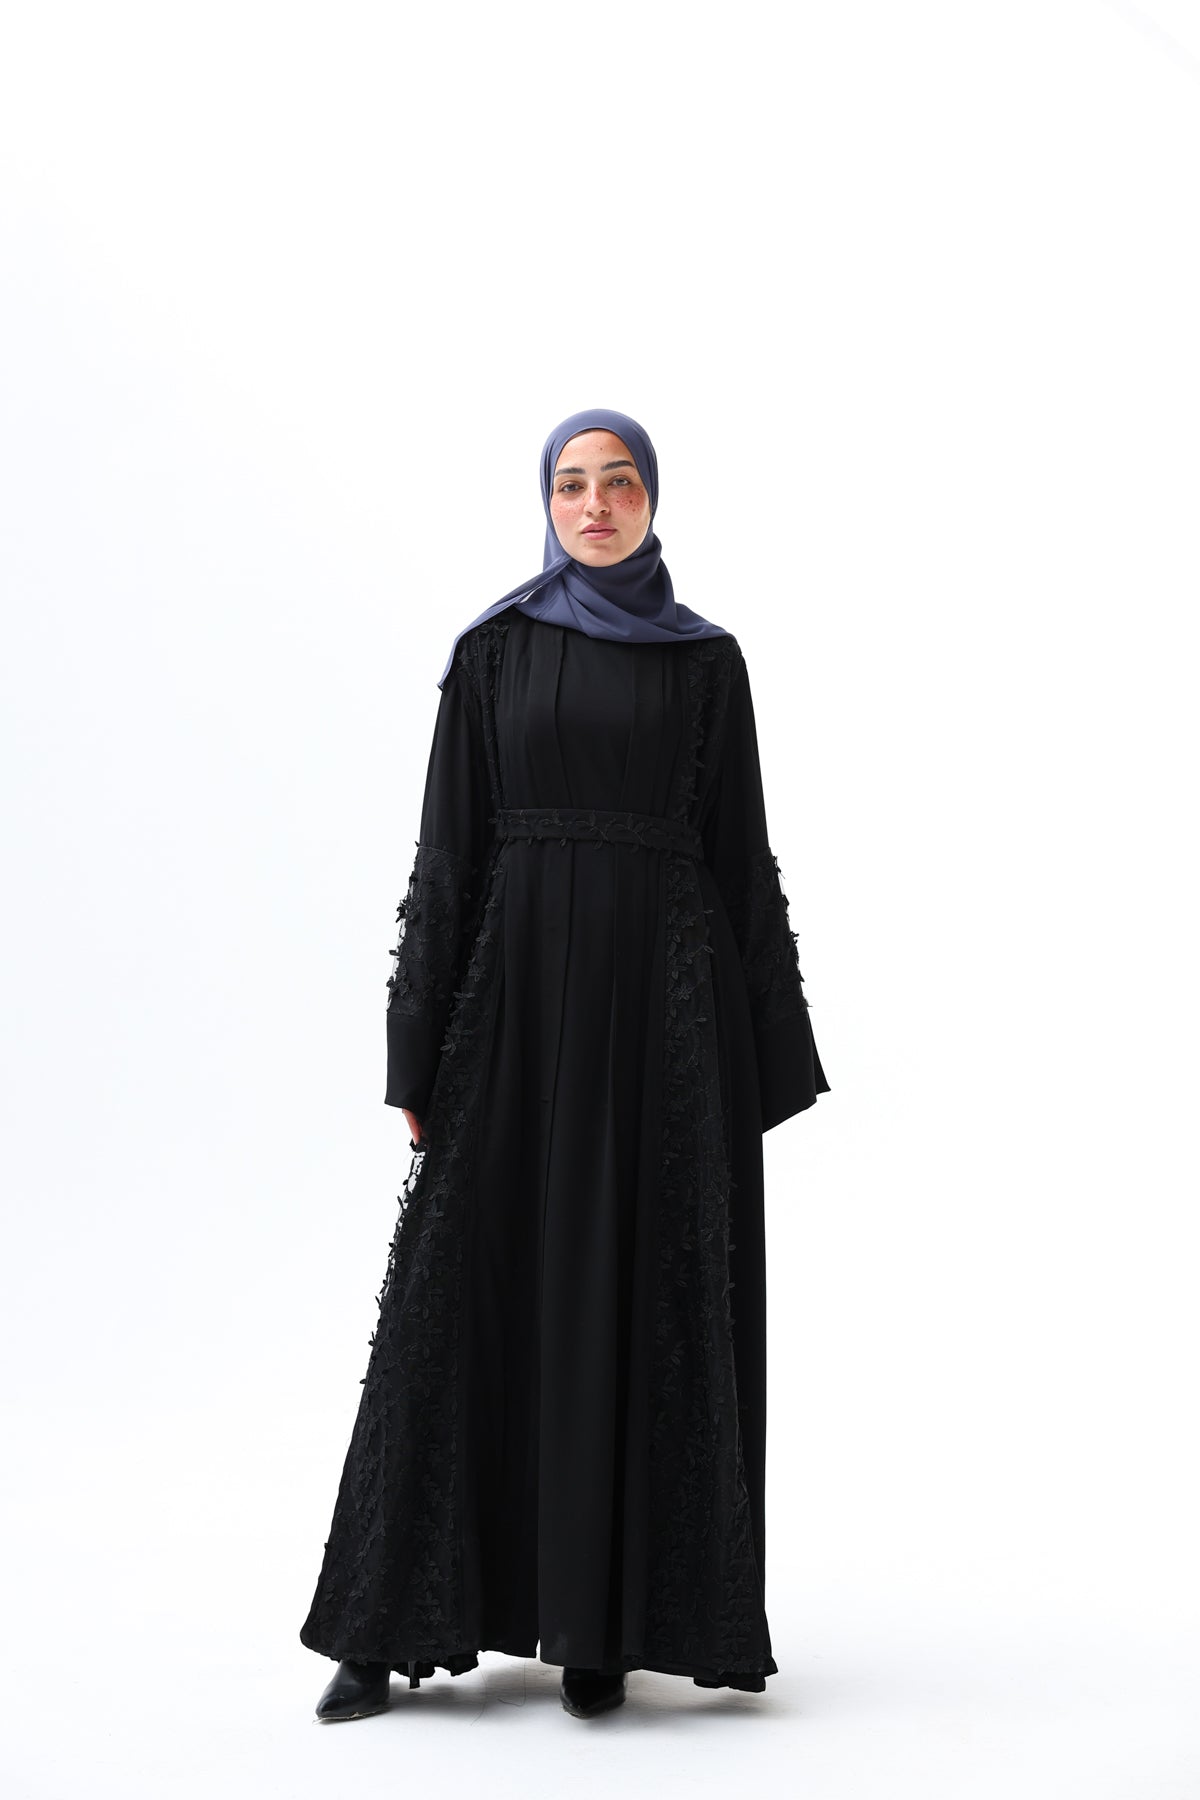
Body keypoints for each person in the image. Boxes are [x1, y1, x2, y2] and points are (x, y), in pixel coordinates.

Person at [299, 407, 831, 1723]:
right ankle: (380, 1629)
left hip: (669, 1021)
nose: (595, 505)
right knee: (455, 1298)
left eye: (620, 482)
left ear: (653, 500)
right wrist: (417, 1048)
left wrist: (768, 1057)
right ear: (546, 502)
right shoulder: (492, 654)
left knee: (641, 1296)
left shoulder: (708, 664)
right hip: (516, 1007)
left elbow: (741, 854)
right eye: (572, 484)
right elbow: (447, 850)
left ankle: (603, 1631)